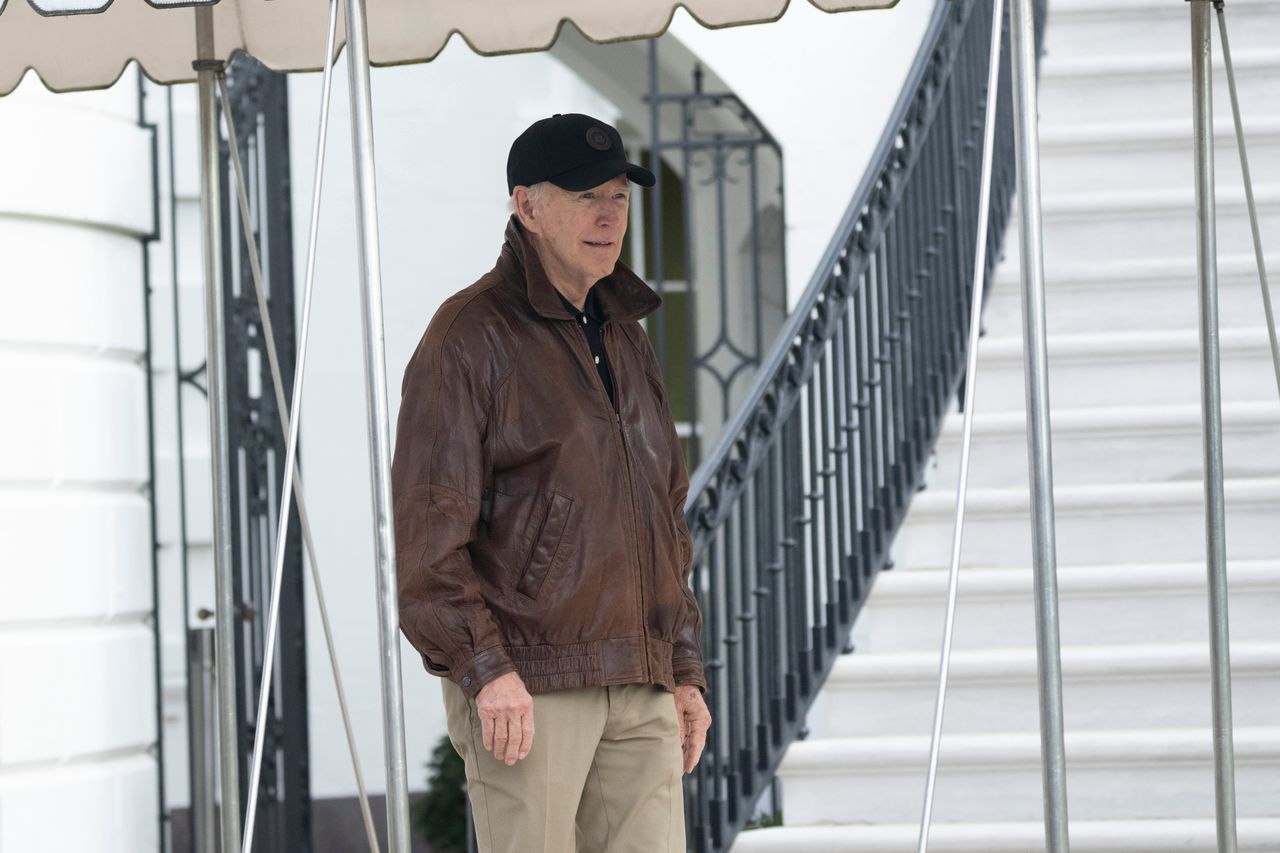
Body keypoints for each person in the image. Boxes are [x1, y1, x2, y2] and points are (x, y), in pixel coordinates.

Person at [391, 112, 712, 853]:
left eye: (618, 197)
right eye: (582, 195)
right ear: (526, 206)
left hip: (640, 679)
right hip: (528, 685)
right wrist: (485, 669)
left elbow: (664, 515)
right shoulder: (467, 337)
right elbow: (428, 533)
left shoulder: (626, 335)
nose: (607, 214)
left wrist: (683, 666)